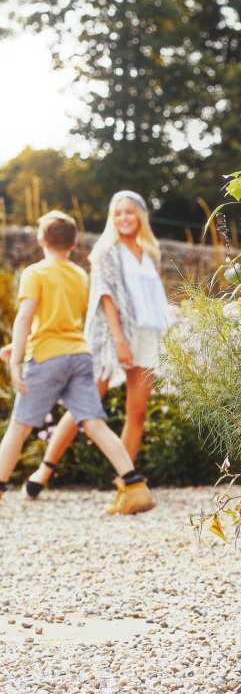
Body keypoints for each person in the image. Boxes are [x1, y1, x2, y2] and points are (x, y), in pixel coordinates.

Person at [23, 190, 170, 510]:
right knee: (84, 407)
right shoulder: (106, 251)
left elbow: (153, 299)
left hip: (146, 335)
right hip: (111, 337)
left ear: (141, 215)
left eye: (129, 212)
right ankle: (44, 470)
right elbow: (105, 297)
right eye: (117, 213)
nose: (123, 218)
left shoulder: (150, 251)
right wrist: (119, 341)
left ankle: (125, 484)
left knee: (138, 411)